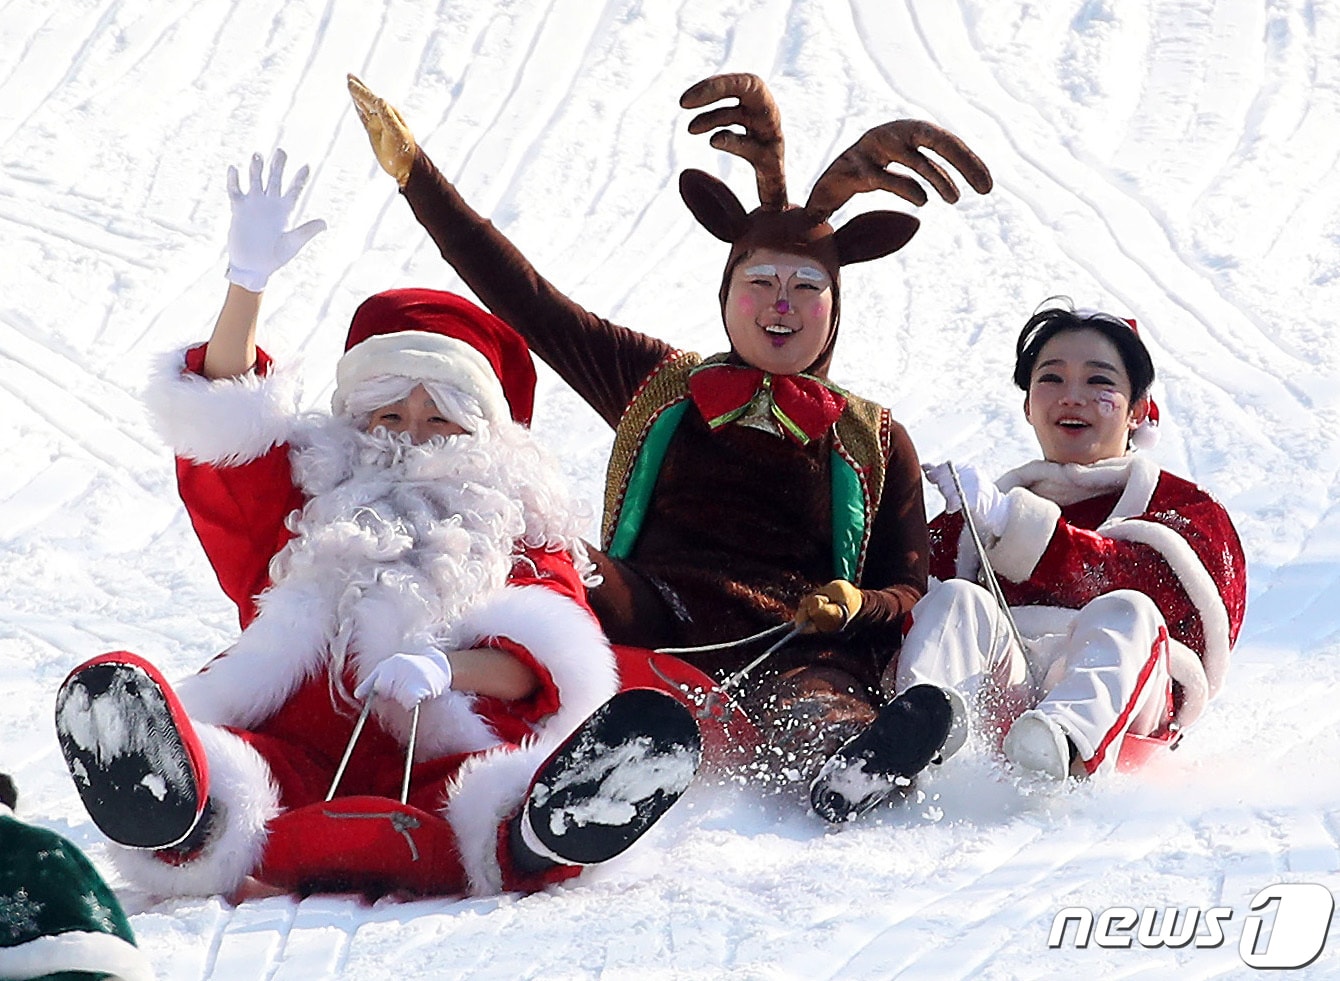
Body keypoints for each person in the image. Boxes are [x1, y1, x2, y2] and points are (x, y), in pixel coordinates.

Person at [53, 151, 702, 901]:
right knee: (232, 765)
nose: (411, 437)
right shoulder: (310, 494)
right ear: (354, 421)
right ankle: (178, 807)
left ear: (482, 436)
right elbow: (225, 430)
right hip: (293, 750)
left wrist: (442, 668)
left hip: (445, 760)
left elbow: (541, 658)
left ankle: (545, 828)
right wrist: (247, 284)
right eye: (389, 414)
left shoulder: (516, 517)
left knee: (495, 790)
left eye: (438, 420)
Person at [346, 73, 993, 796]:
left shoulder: (876, 438)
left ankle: (853, 771)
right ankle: (410, 683)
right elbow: (532, 302)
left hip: (793, 636)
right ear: (727, 295)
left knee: (817, 706)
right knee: (543, 554)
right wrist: (417, 176)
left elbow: (906, 587)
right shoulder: (662, 383)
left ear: (834, 307)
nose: (781, 304)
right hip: (651, 599)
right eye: (761, 281)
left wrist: (851, 602)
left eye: (806, 287)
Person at [811, 300, 1247, 820]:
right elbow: (902, 600)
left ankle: (1063, 747)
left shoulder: (1185, 510)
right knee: (955, 599)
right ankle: (914, 742)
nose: (1072, 397)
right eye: (1052, 379)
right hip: (1006, 699)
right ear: (1027, 405)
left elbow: (1148, 587)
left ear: (1137, 409)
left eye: (1098, 382)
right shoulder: (978, 515)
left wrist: (1016, 526)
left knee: (1127, 609)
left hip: (1123, 703)